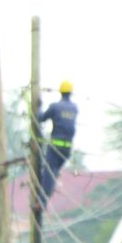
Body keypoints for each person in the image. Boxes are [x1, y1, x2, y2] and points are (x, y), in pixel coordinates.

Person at [35, 80, 78, 208]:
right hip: (67, 149)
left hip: (55, 147)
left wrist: (38, 107)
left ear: (60, 92)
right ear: (71, 93)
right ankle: (45, 193)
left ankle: (41, 202)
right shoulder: (75, 108)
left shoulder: (55, 107)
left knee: (49, 174)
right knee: (51, 173)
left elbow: (41, 118)